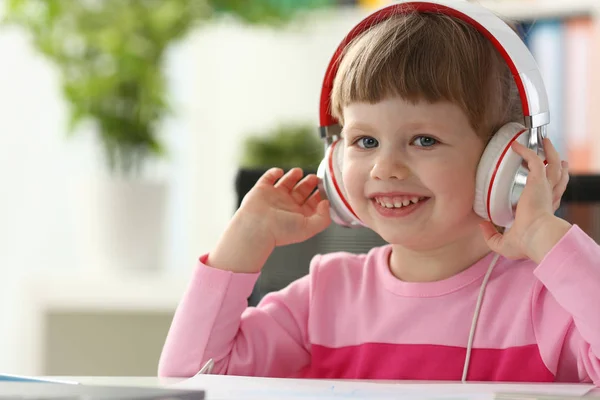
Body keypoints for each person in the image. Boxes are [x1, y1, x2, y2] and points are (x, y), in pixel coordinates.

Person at [158, 1, 600, 384]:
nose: (386, 168)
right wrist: (243, 243)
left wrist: (545, 233)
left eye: (424, 140)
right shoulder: (324, 299)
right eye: (365, 142)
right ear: (334, 159)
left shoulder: (547, 303)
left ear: (503, 165)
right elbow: (191, 378)